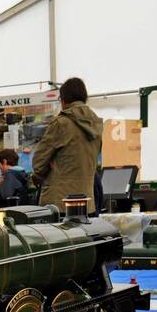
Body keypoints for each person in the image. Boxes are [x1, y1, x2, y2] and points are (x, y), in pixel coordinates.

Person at [29, 77, 103, 211]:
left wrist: (51, 166)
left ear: (63, 99)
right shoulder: (97, 125)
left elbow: (38, 163)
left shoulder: (61, 123)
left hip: (59, 203)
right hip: (87, 203)